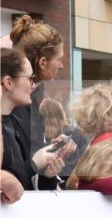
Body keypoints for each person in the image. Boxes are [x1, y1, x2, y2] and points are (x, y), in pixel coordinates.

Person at [1, 48, 67, 190]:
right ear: (8, 83)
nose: (33, 85)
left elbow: (25, 185)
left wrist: (46, 175)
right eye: (30, 78)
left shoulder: (16, 123)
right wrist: (35, 163)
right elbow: (6, 183)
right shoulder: (11, 124)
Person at [8, 15, 73, 159]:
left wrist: (51, 147)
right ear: (43, 62)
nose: (61, 66)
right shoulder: (12, 102)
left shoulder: (30, 98)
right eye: (59, 59)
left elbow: (28, 154)